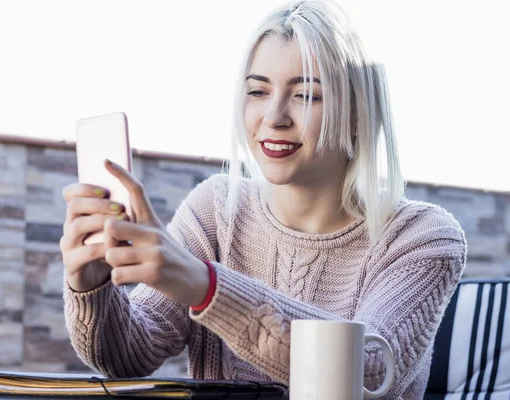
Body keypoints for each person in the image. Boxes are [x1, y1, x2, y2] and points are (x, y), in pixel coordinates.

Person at [61, 1, 467, 398]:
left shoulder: (424, 237)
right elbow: (130, 356)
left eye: (307, 95)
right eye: (258, 91)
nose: (274, 117)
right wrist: (92, 288)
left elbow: (373, 370)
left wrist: (205, 285)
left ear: (359, 115)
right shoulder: (216, 210)